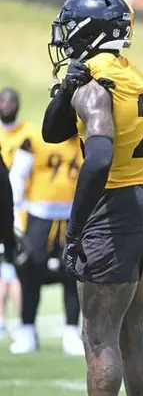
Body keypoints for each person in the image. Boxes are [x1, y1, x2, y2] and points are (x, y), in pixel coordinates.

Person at [42, 0, 143, 396]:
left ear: (86, 30)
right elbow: (55, 131)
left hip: (115, 211)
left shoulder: (95, 85)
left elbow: (96, 157)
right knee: (132, 332)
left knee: (98, 336)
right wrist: (65, 90)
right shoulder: (129, 75)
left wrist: (76, 226)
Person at [9, 131, 85, 356]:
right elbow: (17, 177)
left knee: (73, 273)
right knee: (30, 272)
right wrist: (15, 214)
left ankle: (71, 331)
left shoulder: (86, 140)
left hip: (72, 216)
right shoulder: (33, 140)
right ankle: (27, 329)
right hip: (38, 216)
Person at [0, 88, 26, 335]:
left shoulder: (28, 134)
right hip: (6, 202)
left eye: (10, 101)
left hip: (19, 205)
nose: (6, 105)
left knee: (13, 267)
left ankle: (19, 321)